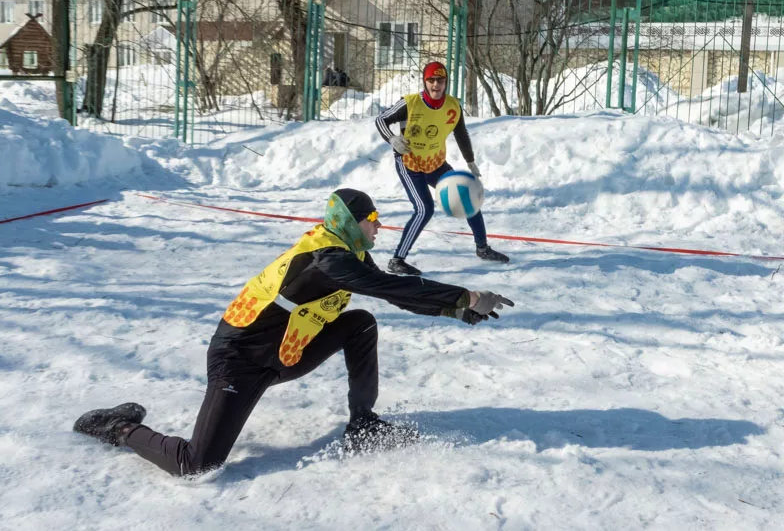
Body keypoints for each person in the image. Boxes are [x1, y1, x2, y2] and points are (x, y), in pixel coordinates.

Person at [73, 189, 513, 477]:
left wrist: (456, 312)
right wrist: (467, 295)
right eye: (374, 218)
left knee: (359, 322)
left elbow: (392, 295)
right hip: (240, 359)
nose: (380, 226)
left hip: (285, 355)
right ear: (351, 220)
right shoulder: (327, 257)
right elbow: (389, 285)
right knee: (198, 465)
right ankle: (119, 427)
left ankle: (363, 423)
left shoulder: (350, 256)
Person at [375, 61, 509, 276]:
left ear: (446, 82)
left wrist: (470, 161)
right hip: (410, 163)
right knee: (424, 209)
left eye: (440, 80)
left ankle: (482, 248)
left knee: (467, 196)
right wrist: (391, 139)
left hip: (436, 163)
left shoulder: (453, 106)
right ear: (425, 82)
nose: (436, 85)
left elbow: (461, 133)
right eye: (431, 80)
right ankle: (397, 260)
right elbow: (381, 119)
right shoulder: (410, 103)